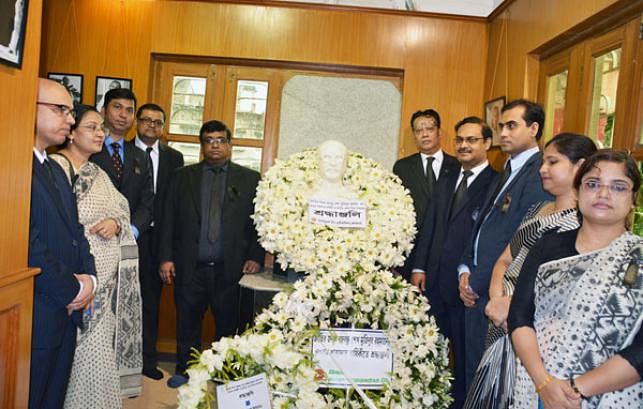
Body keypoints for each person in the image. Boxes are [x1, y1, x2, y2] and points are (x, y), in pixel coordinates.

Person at [463, 133, 597, 409]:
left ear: (580, 166)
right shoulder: (538, 209)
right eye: (543, 161)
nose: (542, 169)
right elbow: (504, 259)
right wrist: (496, 299)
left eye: (552, 162)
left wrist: (512, 308)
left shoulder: (582, 225)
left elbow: (560, 288)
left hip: (533, 328)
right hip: (500, 317)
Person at [509, 149, 643, 408]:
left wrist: (574, 390)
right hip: (538, 387)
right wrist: (544, 384)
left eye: (618, 187)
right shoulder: (547, 244)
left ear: (632, 199)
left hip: (610, 396)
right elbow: (520, 316)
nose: (603, 194)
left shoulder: (638, 258)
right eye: (593, 184)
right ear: (578, 191)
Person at [159, 120, 265, 388]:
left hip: (230, 269)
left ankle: (224, 375)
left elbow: (258, 222)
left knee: (227, 328)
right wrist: (166, 257)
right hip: (189, 266)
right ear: (202, 145)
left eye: (220, 140)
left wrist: (255, 256)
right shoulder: (182, 177)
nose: (215, 145)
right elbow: (168, 218)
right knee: (187, 324)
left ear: (229, 144)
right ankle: (186, 371)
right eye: (209, 140)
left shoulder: (250, 179)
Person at [50, 104, 143, 406]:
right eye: (91, 127)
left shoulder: (97, 173)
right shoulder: (54, 169)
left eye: (101, 127)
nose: (100, 132)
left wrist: (116, 224)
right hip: (72, 280)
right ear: (71, 132)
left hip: (105, 283)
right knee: (69, 354)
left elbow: (122, 209)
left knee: (98, 351)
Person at [457, 99, 552, 389]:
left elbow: (517, 238)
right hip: (475, 285)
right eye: (502, 126)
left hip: (496, 292)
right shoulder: (507, 167)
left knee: (486, 380)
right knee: (471, 369)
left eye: (512, 126)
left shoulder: (538, 173)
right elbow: (480, 226)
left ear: (533, 128)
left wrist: (476, 281)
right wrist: (463, 269)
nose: (504, 133)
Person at [411, 116, 497, 408]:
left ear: (487, 143)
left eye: (471, 140)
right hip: (433, 281)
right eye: (459, 140)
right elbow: (430, 226)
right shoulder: (447, 179)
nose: (463, 145)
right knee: (429, 350)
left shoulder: (495, 184)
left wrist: (472, 277)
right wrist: (419, 267)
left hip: (467, 289)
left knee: (463, 358)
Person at [29, 79, 96, 409]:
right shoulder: (13, 166)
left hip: (67, 314)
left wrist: (90, 281)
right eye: (61, 110)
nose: (70, 120)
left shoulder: (55, 169)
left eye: (71, 112)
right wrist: (72, 290)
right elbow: (28, 245)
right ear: (28, 105)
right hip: (37, 314)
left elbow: (76, 232)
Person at [133, 103, 184, 380]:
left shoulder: (174, 158)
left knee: (151, 301)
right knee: (126, 299)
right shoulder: (123, 153)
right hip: (130, 237)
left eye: (157, 122)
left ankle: (147, 361)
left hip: (160, 239)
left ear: (163, 127)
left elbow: (175, 203)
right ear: (137, 123)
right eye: (146, 120)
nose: (151, 126)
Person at [393, 109, 460, 279]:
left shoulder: (457, 166)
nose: (424, 135)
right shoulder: (402, 167)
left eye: (429, 129)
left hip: (446, 248)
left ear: (439, 132)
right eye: (419, 131)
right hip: (413, 250)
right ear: (414, 136)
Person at [89, 88, 154, 243]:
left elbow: (147, 204)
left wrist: (129, 231)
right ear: (104, 111)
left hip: (130, 241)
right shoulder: (88, 149)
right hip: (93, 235)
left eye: (129, 110)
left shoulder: (142, 156)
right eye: (117, 107)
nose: (123, 115)